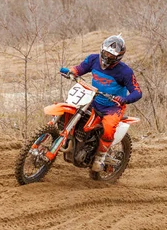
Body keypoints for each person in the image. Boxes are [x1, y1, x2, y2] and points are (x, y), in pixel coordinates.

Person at [60, 35, 142, 172]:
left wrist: (125, 99)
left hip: (113, 107)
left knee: (108, 128)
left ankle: (100, 157)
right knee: (71, 110)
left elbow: (137, 92)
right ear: (101, 50)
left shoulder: (125, 72)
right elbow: (80, 68)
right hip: (93, 99)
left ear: (118, 57)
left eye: (111, 55)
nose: (107, 56)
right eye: (106, 52)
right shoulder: (93, 59)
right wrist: (72, 72)